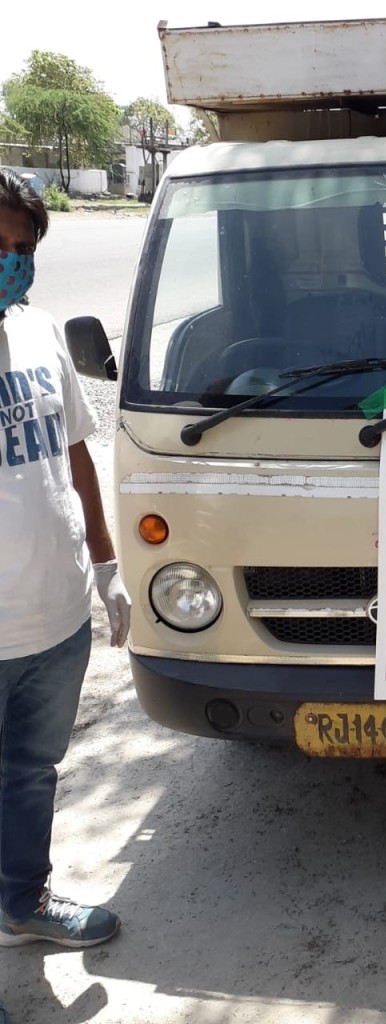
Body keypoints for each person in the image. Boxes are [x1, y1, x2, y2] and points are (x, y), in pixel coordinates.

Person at [0, 168, 130, 965]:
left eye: (23, 247)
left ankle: (23, 899)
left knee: (30, 773)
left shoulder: (40, 331)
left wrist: (108, 565)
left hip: (54, 620)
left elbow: (76, 450)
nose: (12, 260)